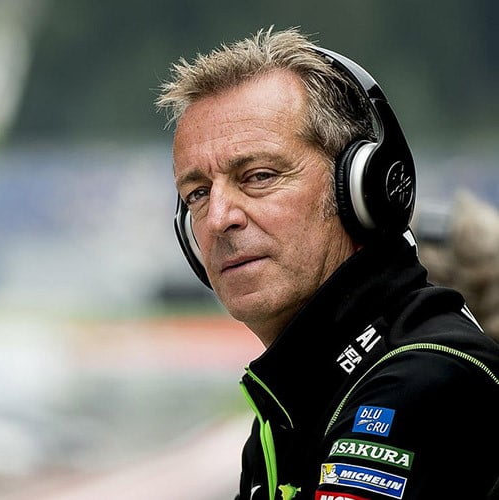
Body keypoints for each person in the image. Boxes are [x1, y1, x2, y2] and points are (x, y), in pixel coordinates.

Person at [155, 27, 499, 500]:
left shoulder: (422, 380)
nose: (218, 218)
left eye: (258, 176)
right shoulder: (298, 398)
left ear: (361, 190)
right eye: (197, 194)